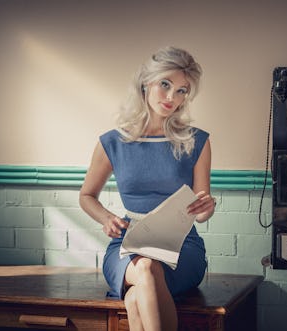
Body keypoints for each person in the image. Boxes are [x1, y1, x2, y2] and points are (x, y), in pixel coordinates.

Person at [79, 46, 215, 331]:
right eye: (165, 84)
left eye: (182, 90)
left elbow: (200, 213)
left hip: (182, 246)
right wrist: (106, 219)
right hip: (128, 244)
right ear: (145, 83)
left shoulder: (197, 141)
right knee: (145, 268)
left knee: (139, 290)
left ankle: (138, 292)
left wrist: (206, 208)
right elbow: (86, 196)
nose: (171, 97)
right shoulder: (112, 142)